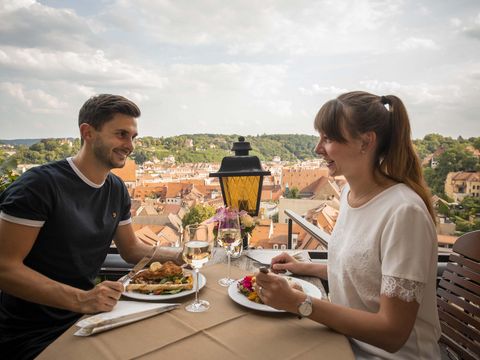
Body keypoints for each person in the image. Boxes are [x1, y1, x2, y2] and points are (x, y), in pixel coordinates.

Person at [255, 91, 441, 359]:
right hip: (344, 342)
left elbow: (392, 333)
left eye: (328, 138)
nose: (318, 148)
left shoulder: (404, 212)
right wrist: (302, 267)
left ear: (366, 141)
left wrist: (298, 302)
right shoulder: (348, 194)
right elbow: (367, 275)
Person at [0, 94, 183, 359]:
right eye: (121, 134)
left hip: (86, 319)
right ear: (88, 132)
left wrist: (182, 255)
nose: (129, 145)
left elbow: (131, 249)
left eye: (133, 137)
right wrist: (82, 300)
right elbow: (4, 268)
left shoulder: (116, 188)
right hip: (30, 332)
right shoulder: (40, 185)